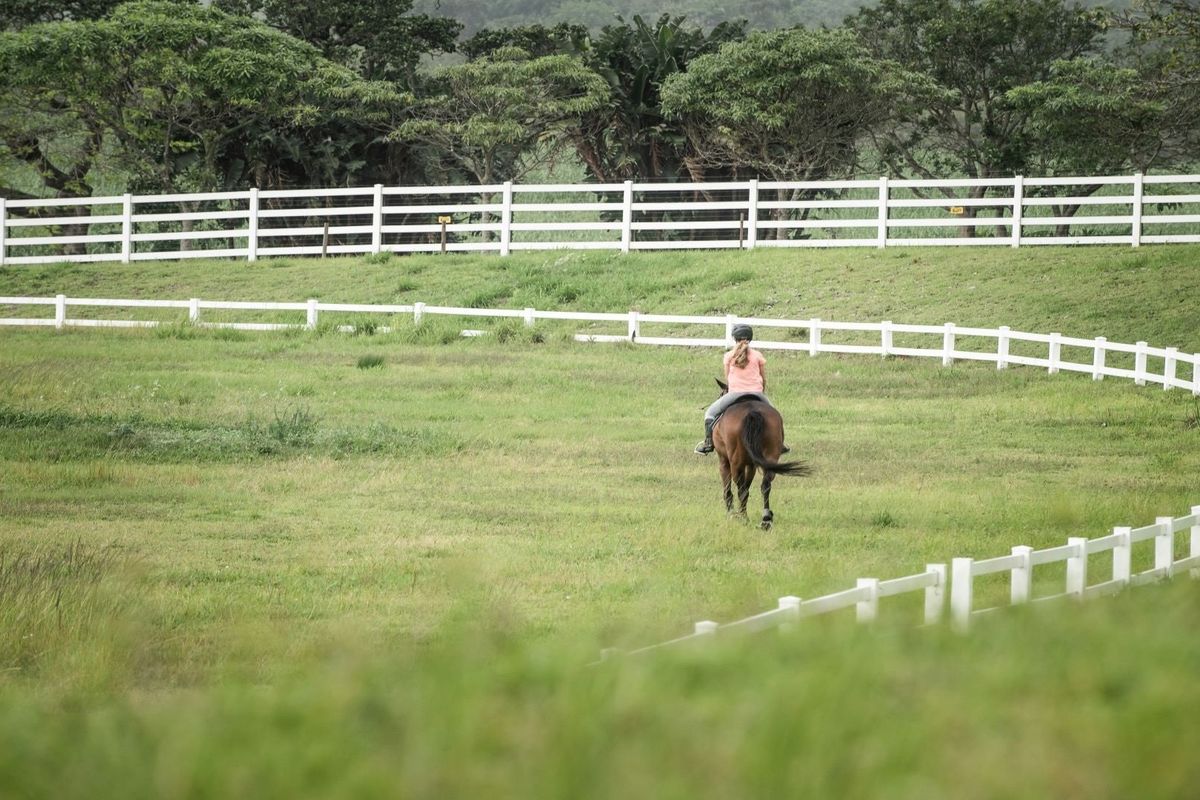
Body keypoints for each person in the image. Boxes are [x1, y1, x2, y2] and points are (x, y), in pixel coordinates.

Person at [694, 323, 788, 455]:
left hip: (735, 394)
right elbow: (763, 377)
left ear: (734, 338)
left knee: (709, 414)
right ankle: (779, 443)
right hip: (757, 393)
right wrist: (761, 390)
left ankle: (708, 443)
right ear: (750, 338)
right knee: (775, 415)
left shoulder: (729, 356)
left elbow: (728, 379)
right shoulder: (757, 355)